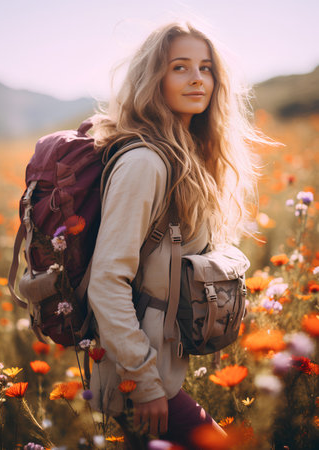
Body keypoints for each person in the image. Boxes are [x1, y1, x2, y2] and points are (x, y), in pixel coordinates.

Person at [87, 21, 263, 447]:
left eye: (205, 68)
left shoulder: (187, 155)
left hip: (160, 371)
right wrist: (144, 382)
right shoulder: (146, 162)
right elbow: (107, 281)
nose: (197, 78)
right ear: (154, 78)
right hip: (139, 375)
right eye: (180, 67)